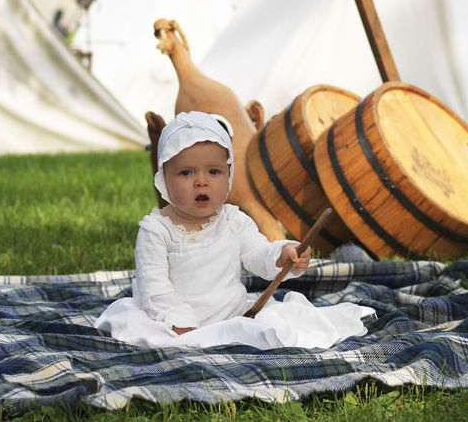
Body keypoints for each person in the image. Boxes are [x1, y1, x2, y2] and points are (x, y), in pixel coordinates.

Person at [96, 111, 374, 350]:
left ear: (228, 176)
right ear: (164, 180)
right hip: (170, 321)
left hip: (233, 314)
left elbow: (258, 253)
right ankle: (191, 335)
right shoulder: (156, 229)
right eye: (186, 173)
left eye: (213, 172)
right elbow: (153, 286)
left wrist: (283, 255)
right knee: (139, 327)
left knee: (281, 325)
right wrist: (181, 324)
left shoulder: (232, 220)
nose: (201, 182)